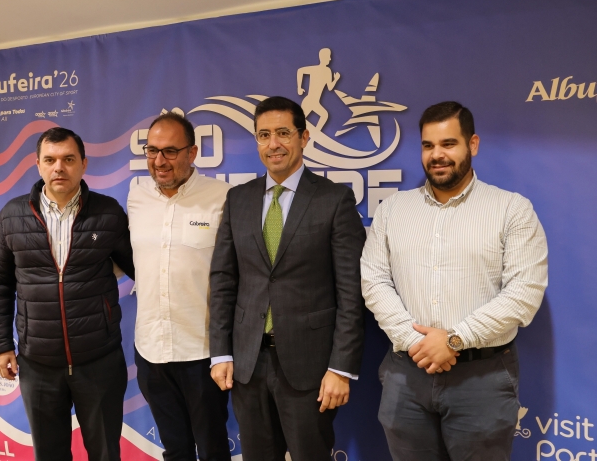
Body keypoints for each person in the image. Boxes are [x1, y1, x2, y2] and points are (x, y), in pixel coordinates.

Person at [361, 101, 548, 461]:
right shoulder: (392, 210)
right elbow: (374, 281)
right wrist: (416, 342)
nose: (437, 155)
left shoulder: (511, 209)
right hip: (406, 375)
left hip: (482, 378)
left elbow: (523, 294)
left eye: (448, 144)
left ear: (472, 144)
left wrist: (455, 339)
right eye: (428, 145)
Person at [209, 96, 366, 461]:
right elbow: (223, 281)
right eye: (264, 135)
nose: (273, 144)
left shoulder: (334, 200)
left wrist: (340, 368)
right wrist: (221, 352)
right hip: (248, 364)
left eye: (283, 133)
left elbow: (351, 292)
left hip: (310, 367)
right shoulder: (238, 199)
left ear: (303, 137)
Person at [0, 127, 135, 461]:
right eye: (50, 160)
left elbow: (141, 268)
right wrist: (1, 345)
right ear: (38, 164)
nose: (59, 168)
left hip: (100, 361)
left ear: (83, 163)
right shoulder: (12, 216)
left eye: (68, 159)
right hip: (38, 364)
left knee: (105, 453)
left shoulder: (108, 213)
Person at [127, 112, 232, 461]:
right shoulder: (136, 198)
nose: (159, 161)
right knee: (175, 450)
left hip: (202, 352)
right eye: (152, 150)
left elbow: (237, 273)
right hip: (151, 351)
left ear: (192, 152)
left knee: (213, 448)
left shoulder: (222, 197)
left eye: (170, 151)